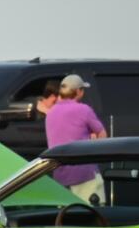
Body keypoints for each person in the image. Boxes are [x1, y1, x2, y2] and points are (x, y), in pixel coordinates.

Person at [45, 72, 108, 203]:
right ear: (78, 91)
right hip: (85, 174)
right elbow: (103, 136)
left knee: (65, 213)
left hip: (60, 176)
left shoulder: (50, 113)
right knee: (93, 211)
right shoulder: (84, 110)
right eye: (82, 89)